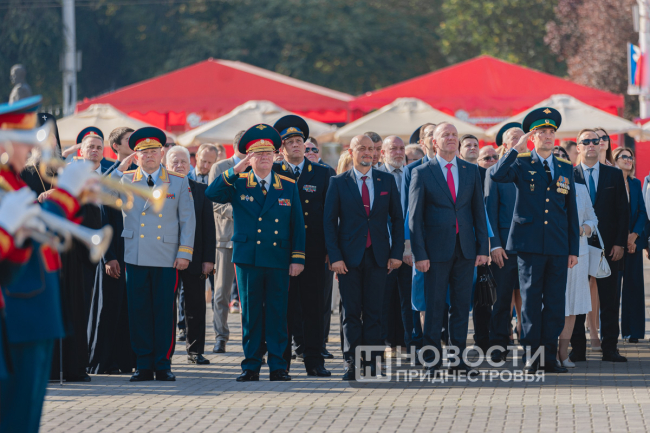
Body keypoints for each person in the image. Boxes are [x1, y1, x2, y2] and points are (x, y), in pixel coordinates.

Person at [0, 95, 98, 433]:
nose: (32, 147)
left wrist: (74, 200)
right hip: (20, 307)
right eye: (25, 140)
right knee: (15, 414)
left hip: (39, 305)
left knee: (27, 414)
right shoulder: (7, 183)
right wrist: (64, 197)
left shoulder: (13, 181)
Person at [206, 124, 305, 382]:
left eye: (268, 153)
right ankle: (250, 365)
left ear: (275, 156)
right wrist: (236, 169)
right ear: (248, 158)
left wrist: (297, 258)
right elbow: (211, 193)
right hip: (248, 258)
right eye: (257, 154)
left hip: (278, 257)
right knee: (250, 314)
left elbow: (297, 225)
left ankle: (278, 366)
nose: (264, 158)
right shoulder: (239, 182)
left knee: (277, 313)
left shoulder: (287, 185)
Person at [491, 107, 579, 373]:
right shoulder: (521, 162)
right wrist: (515, 149)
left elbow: (570, 211)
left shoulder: (565, 166)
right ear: (533, 137)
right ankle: (533, 356)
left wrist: (573, 249)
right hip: (529, 245)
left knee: (554, 303)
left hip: (557, 245)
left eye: (551, 132)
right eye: (542, 132)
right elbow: (497, 174)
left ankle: (549, 357)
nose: (548, 136)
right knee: (530, 302)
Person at [112, 127, 196, 382]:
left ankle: (162, 363)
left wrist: (185, 252)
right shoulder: (124, 179)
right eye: (143, 152)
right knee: (139, 312)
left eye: (153, 151)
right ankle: (143, 364)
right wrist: (118, 168)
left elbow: (187, 219)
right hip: (136, 254)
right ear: (136, 156)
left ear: (162, 153)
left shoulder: (177, 181)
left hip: (167, 255)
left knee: (163, 312)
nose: (149, 156)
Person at [409, 122, 489, 375]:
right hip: (434, 252)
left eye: (454, 134)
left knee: (461, 307)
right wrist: (419, 254)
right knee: (434, 307)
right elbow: (414, 218)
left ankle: (458, 361)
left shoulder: (470, 170)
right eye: (446, 135)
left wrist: (483, 248)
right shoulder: (422, 172)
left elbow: (478, 212)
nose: (452, 138)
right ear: (434, 142)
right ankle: (431, 360)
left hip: (465, 249)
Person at [324, 134, 404, 380]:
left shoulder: (386, 180)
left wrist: (396, 253)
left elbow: (397, 219)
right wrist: (335, 257)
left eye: (371, 149)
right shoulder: (338, 182)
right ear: (351, 152)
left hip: (379, 257)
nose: (368, 152)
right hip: (348, 259)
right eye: (362, 148)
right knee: (350, 313)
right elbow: (329, 223)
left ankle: (371, 363)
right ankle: (351, 363)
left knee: (374, 312)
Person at [273, 115, 334, 377]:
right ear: (282, 147)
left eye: (300, 141)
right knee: (283, 309)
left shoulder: (322, 173)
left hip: (314, 252)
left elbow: (331, 215)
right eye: (290, 142)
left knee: (314, 308)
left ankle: (314, 360)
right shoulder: (273, 172)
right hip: (281, 251)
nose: (297, 145)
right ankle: (281, 363)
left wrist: (332, 250)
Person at [569, 129, 629, 363]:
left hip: (609, 248)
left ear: (602, 145)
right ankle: (578, 350)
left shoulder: (614, 174)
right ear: (578, 147)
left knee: (610, 301)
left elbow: (623, 212)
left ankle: (610, 349)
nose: (592, 144)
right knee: (578, 299)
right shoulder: (569, 175)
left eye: (596, 140)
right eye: (586, 141)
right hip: (578, 248)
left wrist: (620, 243)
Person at [87, 128, 139, 376]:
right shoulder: (111, 171)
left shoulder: (142, 170)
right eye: (129, 139)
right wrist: (109, 256)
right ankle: (101, 361)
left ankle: (125, 360)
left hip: (135, 249)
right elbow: (103, 214)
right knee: (107, 307)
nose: (135, 143)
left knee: (128, 309)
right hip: (113, 247)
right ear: (116, 145)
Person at [166, 146, 215, 364]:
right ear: (166, 165)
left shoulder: (201, 190)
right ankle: (165, 353)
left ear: (190, 164)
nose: (179, 165)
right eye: (174, 162)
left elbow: (208, 228)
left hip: (195, 257)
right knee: (167, 306)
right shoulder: (159, 189)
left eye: (183, 162)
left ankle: (195, 351)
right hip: (165, 257)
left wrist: (209, 260)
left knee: (196, 305)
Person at [485, 123, 523, 362]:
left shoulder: (534, 168)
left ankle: (530, 343)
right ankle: (498, 344)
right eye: (515, 138)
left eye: (523, 137)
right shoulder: (495, 172)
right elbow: (489, 211)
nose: (521, 140)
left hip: (531, 247)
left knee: (530, 301)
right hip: (505, 248)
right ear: (505, 146)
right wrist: (495, 245)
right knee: (501, 301)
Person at [207, 130, 246, 354]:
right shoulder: (220, 167)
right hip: (225, 238)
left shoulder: (257, 166)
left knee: (248, 295)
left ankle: (250, 339)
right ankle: (220, 336)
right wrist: (241, 212)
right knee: (221, 292)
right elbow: (214, 201)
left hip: (250, 240)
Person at [378, 136, 413, 355]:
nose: (399, 152)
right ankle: (383, 344)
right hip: (383, 248)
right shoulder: (375, 176)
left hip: (409, 248)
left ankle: (408, 343)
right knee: (383, 300)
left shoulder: (413, 174)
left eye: (402, 148)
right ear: (383, 153)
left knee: (408, 299)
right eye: (393, 149)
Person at [558, 182, 597, 368]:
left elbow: (592, 219)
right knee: (552, 305)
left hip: (578, 256)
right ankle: (549, 352)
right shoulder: (544, 184)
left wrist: (582, 230)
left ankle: (563, 353)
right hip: (551, 254)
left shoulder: (580, 188)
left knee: (572, 305)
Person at [613, 147, 647, 343]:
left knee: (634, 287)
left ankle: (633, 332)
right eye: (623, 157)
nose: (628, 160)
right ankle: (610, 334)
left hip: (634, 243)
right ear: (615, 160)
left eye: (630, 157)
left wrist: (634, 236)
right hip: (615, 243)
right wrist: (624, 238)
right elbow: (611, 213)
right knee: (613, 290)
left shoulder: (636, 183)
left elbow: (642, 212)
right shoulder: (610, 182)